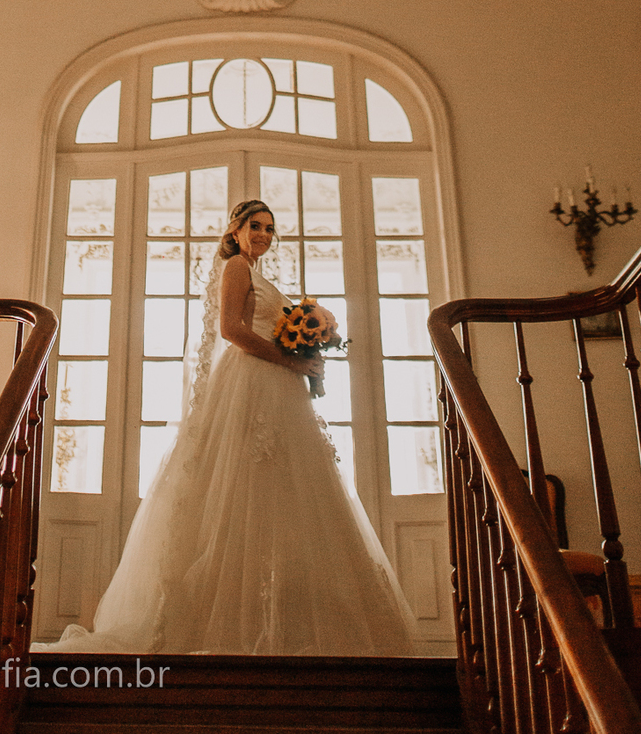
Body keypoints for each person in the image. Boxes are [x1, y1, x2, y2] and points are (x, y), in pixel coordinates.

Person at [38, 198, 418, 655]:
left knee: (287, 500)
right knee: (238, 492)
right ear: (235, 231)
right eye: (254, 225)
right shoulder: (236, 267)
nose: (262, 234)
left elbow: (269, 328)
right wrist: (291, 361)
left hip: (279, 387)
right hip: (249, 383)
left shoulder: (261, 276)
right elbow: (231, 331)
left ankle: (284, 625)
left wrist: (310, 346)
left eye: (269, 228)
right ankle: (226, 626)